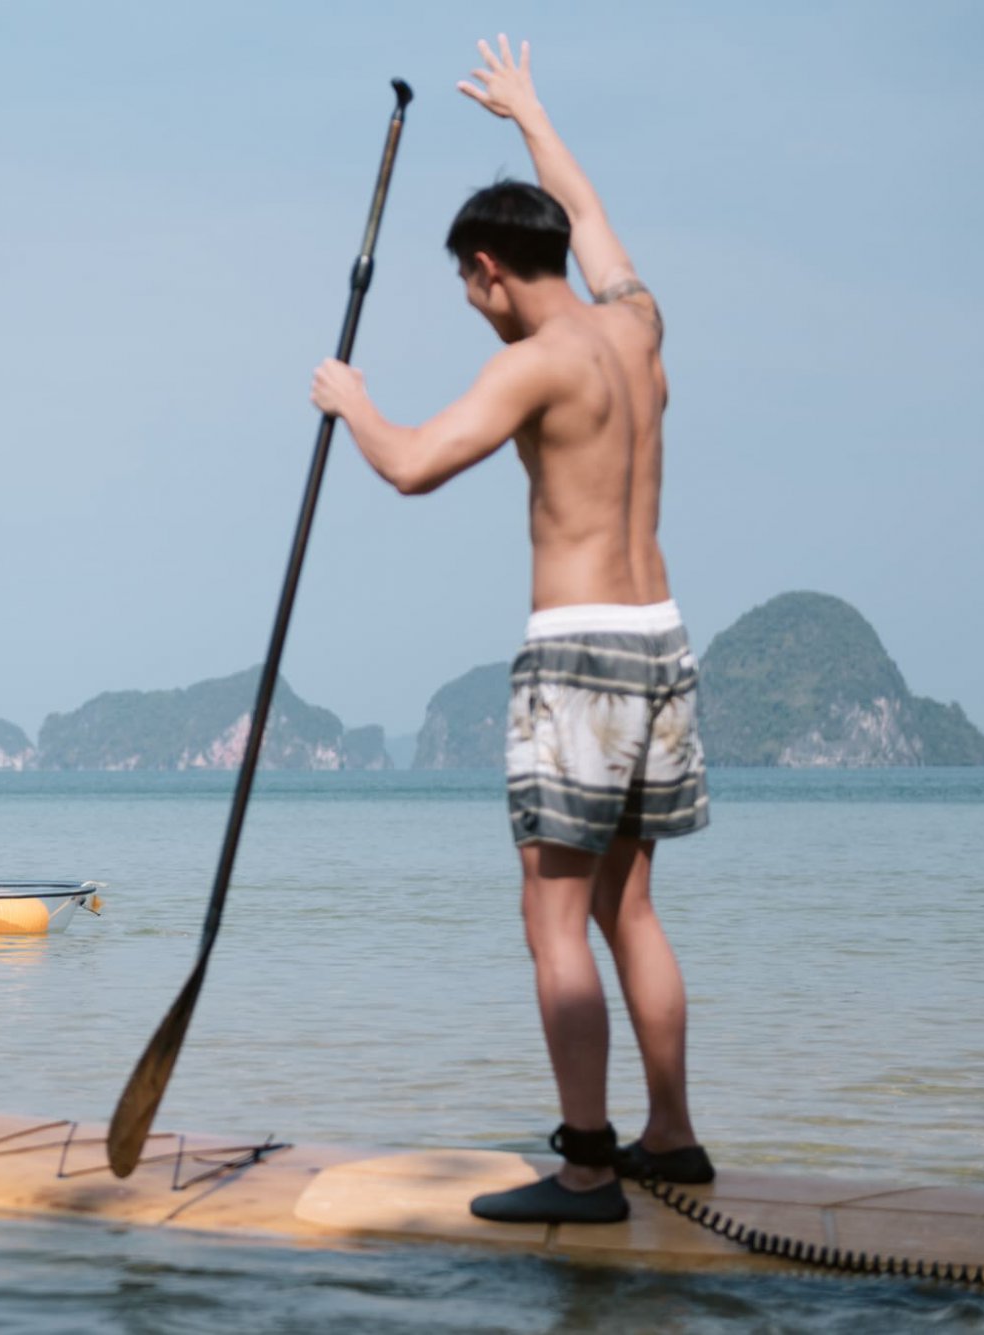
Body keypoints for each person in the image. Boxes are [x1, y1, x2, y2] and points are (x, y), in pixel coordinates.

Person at [307, 36, 712, 1225]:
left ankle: (586, 1169)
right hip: (662, 645)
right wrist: (532, 115)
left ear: (488, 268)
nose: (474, 310)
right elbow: (588, 210)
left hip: (578, 655)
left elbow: (414, 467)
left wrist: (352, 401)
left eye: (467, 290)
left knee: (550, 919)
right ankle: (671, 1139)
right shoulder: (636, 325)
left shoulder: (539, 364)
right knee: (626, 907)